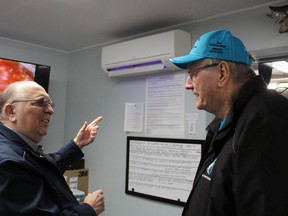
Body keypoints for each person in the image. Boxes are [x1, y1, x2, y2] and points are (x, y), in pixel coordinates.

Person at [170, 29, 288, 216]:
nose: (188, 84)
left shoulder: (265, 122)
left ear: (222, 73)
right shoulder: (227, 123)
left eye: (193, 73)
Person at [0, 81, 105, 215]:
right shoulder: (8, 164)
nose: (51, 110)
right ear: (11, 111)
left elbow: (40, 169)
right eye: (40, 102)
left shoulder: (14, 147)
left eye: (50, 104)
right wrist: (89, 208)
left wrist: (76, 145)